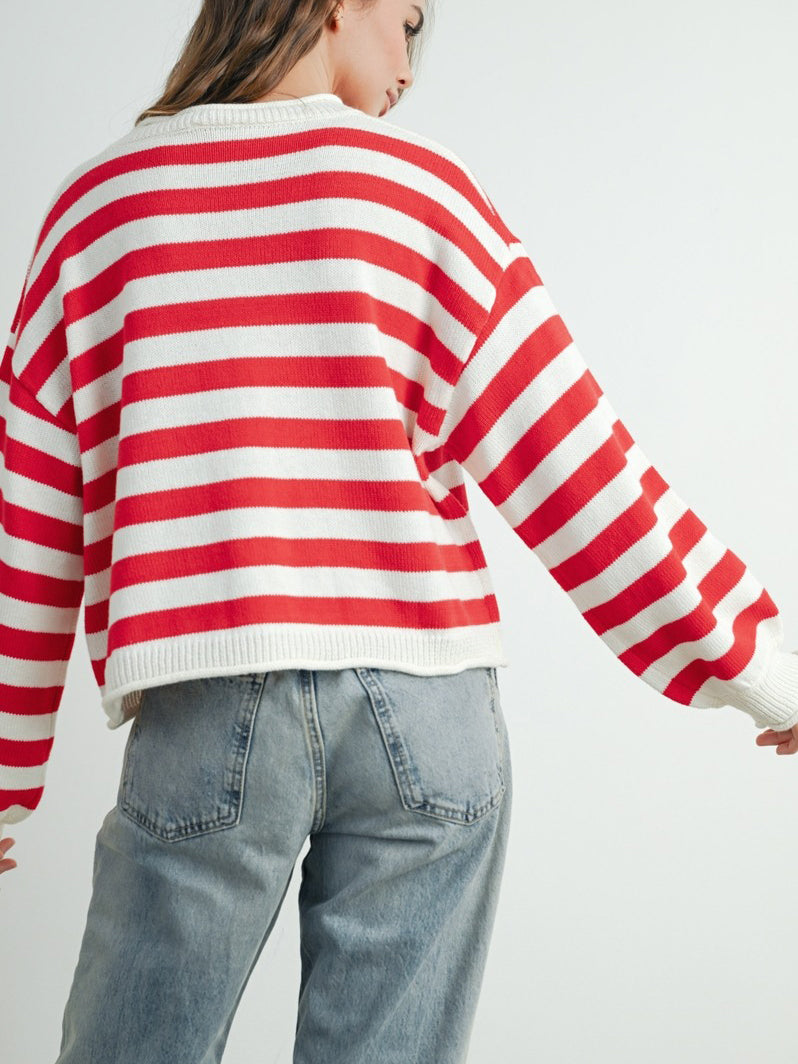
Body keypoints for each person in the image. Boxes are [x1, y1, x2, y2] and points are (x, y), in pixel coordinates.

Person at [1, 0, 797, 1059]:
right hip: (430, 709)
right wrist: (758, 667)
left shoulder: (100, 208)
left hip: (206, 697)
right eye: (411, 22)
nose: (411, 68)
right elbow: (579, 467)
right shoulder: (424, 192)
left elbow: (28, 523)